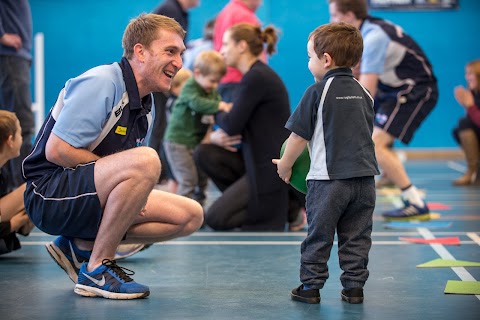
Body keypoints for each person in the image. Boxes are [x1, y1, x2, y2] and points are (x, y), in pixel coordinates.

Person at [22, 14, 204, 300]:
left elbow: (123, 167)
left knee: (190, 216)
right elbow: (56, 150)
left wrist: (132, 191)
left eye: (181, 53)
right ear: (140, 51)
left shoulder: (146, 104)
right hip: (48, 195)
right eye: (170, 51)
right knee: (147, 160)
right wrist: (123, 183)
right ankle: (96, 269)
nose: (179, 63)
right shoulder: (102, 82)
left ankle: (80, 245)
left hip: (87, 190)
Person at [273, 22, 378, 305]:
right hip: (366, 180)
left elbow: (297, 137)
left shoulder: (316, 92)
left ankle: (310, 287)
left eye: (310, 57)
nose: (309, 62)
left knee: (319, 235)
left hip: (328, 181)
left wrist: (285, 163)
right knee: (357, 237)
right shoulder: (364, 92)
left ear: (326, 59)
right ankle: (354, 288)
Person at [329, 0, 438, 221]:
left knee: (374, 143)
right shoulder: (366, 32)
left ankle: (415, 202)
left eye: (334, 15)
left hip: (415, 89)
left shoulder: (373, 38)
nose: (331, 21)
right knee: (374, 134)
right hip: (393, 89)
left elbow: (367, 89)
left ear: (349, 15)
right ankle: (389, 172)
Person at [194, 23, 291, 231]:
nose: (221, 50)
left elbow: (231, 125)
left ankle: (285, 207)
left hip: (268, 170)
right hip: (253, 162)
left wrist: (215, 107)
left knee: (215, 219)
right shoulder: (254, 76)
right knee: (205, 153)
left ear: (242, 46)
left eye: (226, 44)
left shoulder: (256, 77)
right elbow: (233, 124)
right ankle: (282, 206)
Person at [164, 50, 231, 203]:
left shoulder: (211, 92)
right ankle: (179, 214)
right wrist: (220, 105)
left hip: (194, 142)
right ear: (198, 73)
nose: (214, 85)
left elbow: (213, 110)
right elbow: (197, 103)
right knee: (188, 180)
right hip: (178, 142)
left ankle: (197, 209)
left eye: (217, 82)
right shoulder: (189, 87)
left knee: (201, 178)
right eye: (212, 81)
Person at [0, 0, 35, 190]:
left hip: (14, 57)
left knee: (11, 127)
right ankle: (22, 192)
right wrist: (2, 36)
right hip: (11, 56)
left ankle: (12, 191)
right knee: (20, 126)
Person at [213, 0, 263, 102]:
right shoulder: (244, 16)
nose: (260, 3)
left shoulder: (226, 11)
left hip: (225, 79)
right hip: (239, 79)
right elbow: (256, 53)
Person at [0, 110, 34, 255]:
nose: (22, 139)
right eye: (20, 134)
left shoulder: (3, 173)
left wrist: (22, 224)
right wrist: (12, 224)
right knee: (32, 187)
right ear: (10, 140)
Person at [452, 59, 480, 185]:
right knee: (461, 127)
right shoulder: (474, 93)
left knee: (464, 123)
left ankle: (472, 171)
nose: (467, 77)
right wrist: (466, 105)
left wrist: (470, 107)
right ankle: (474, 169)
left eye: (470, 73)